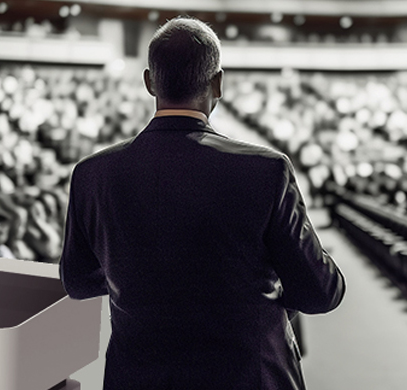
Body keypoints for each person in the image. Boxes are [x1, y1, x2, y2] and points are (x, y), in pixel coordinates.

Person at [60, 17, 345, 390]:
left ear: (150, 82)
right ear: (217, 83)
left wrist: (143, 277)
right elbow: (320, 292)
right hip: (248, 377)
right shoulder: (266, 170)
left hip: (140, 378)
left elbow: (78, 282)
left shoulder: (93, 174)